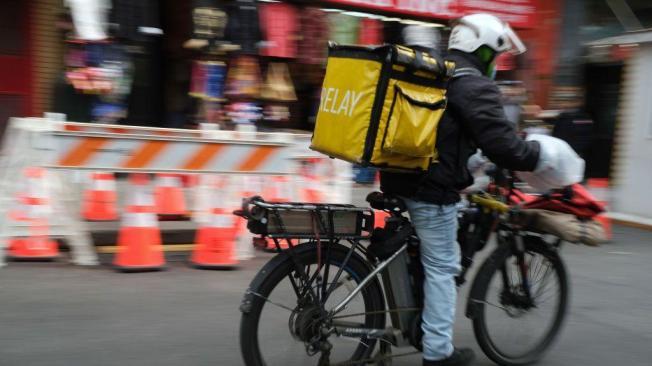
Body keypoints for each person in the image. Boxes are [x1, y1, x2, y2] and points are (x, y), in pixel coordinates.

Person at [381, 14, 583, 366]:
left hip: (399, 177)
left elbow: (448, 131)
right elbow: (505, 147)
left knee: (428, 253)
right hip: (430, 188)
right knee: (444, 265)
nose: (496, 64)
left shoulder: (437, 72)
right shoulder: (472, 84)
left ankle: (416, 318)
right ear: (484, 51)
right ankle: (438, 352)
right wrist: (541, 155)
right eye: (496, 55)